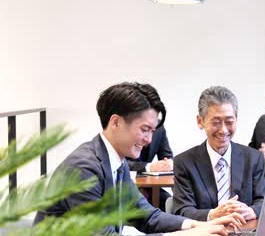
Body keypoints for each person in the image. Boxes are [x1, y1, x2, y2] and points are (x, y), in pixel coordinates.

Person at [34, 82, 245, 235]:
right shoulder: (83, 168)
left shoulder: (117, 162)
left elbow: (147, 215)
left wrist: (197, 225)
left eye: (153, 131)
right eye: (145, 130)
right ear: (116, 122)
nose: (149, 140)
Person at [173, 86, 265, 221]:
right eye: (216, 122)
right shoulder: (185, 162)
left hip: (243, 230)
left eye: (229, 122)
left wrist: (252, 211)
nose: (223, 130)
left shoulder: (253, 158)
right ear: (200, 121)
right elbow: (182, 210)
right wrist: (212, 215)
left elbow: (263, 200)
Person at [127, 125, 173, 210]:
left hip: (150, 187)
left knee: (169, 203)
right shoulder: (128, 125)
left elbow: (167, 156)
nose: (149, 140)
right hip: (125, 186)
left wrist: (168, 163)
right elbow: (122, 162)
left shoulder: (159, 128)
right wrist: (149, 167)